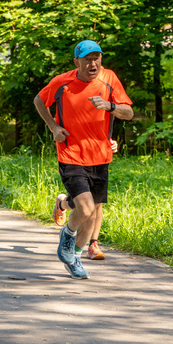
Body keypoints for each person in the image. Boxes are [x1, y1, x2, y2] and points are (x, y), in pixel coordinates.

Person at [34, 39, 133, 279]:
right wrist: (54, 127)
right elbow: (39, 100)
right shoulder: (62, 82)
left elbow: (128, 113)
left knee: (93, 211)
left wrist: (109, 106)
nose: (93, 63)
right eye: (88, 59)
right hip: (71, 154)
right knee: (87, 208)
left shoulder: (109, 79)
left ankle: (75, 257)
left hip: (100, 156)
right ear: (76, 61)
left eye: (97, 58)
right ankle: (67, 236)